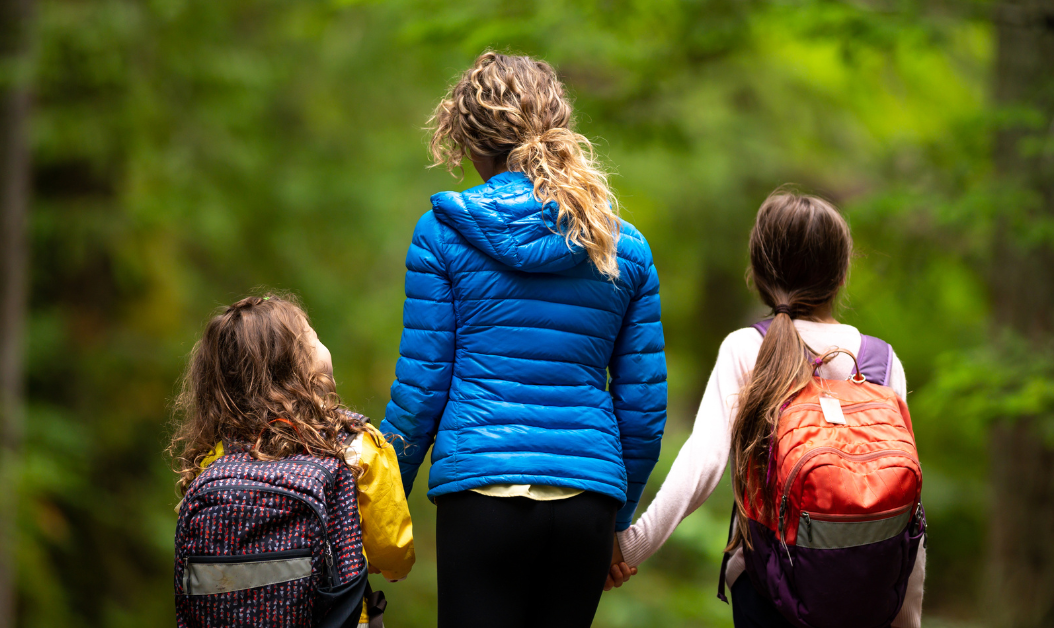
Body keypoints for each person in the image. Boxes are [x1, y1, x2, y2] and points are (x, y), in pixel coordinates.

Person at [380, 51, 667, 628]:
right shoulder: (623, 247)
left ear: (465, 140)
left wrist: (383, 502)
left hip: (480, 492)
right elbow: (642, 412)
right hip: (586, 501)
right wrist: (617, 520)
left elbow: (421, 390)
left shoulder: (443, 234)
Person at [611, 193, 925, 627]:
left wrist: (627, 547)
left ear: (757, 272)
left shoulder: (747, 348)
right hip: (871, 593)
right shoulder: (882, 360)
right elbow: (905, 502)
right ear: (840, 275)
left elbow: (702, 465)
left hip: (769, 591)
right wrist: (906, 617)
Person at [169, 293, 414, 628]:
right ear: (301, 366)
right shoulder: (354, 445)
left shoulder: (213, 457)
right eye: (313, 337)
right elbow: (393, 551)